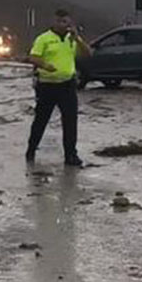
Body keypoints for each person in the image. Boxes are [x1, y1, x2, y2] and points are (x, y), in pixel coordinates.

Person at [25, 9, 92, 166]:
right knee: (41, 119)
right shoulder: (44, 39)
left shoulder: (72, 39)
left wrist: (78, 40)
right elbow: (32, 57)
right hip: (47, 85)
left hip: (67, 85)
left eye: (66, 22)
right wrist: (45, 65)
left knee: (70, 121)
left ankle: (70, 155)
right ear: (53, 22)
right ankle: (31, 149)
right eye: (60, 21)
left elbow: (88, 53)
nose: (63, 25)